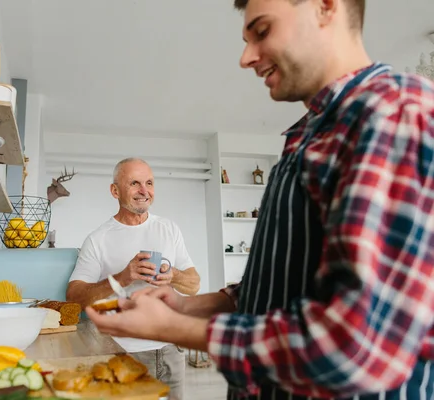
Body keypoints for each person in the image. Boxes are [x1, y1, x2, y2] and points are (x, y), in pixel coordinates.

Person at [86, 0, 434, 399]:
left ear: (325, 7)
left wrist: (171, 329)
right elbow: (286, 282)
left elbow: (356, 344)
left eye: (263, 30)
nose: (246, 57)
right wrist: (189, 306)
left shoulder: (395, 115)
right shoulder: (308, 134)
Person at [66, 157, 201, 400]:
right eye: (135, 184)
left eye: (149, 183)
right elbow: (74, 298)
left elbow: (194, 284)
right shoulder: (98, 239)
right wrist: (121, 278)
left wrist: (173, 275)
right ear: (114, 190)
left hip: (171, 349)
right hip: (124, 354)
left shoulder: (169, 228)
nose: (144, 191)